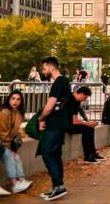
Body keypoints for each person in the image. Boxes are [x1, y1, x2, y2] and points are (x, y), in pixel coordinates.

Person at [36, 57, 71, 200]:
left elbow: (49, 107)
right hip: (60, 123)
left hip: (55, 124)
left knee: (47, 153)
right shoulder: (64, 81)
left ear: (51, 67)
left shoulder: (58, 82)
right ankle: (58, 186)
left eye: (44, 68)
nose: (43, 71)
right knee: (54, 154)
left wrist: (40, 118)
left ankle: (58, 186)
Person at [0, 90, 33, 193]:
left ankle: (22, 180)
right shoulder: (4, 112)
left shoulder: (18, 113)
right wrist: (10, 149)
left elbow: (15, 133)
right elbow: (3, 134)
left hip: (3, 140)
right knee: (9, 155)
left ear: (21, 101)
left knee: (16, 156)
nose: (15, 101)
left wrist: (15, 148)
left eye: (18, 99)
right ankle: (14, 184)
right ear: (9, 99)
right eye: (13, 99)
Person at [66, 86, 104, 164]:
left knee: (90, 128)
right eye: (85, 97)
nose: (85, 99)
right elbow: (74, 121)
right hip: (64, 125)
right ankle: (88, 156)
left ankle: (92, 153)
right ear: (81, 94)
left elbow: (77, 116)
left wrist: (88, 122)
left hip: (69, 123)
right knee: (87, 128)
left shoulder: (76, 100)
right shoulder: (70, 100)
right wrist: (88, 123)